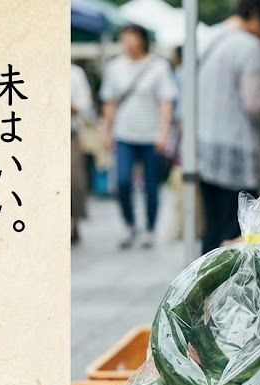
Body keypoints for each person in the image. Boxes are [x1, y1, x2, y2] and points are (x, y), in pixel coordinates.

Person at [197, 0, 260, 254]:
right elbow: (254, 104)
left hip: (205, 148)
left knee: (212, 229)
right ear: (257, 16)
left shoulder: (209, 40)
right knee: (234, 236)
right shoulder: (250, 47)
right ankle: (227, 292)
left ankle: (202, 287)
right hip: (237, 151)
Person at [99, 24, 177, 250]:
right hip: (124, 134)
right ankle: (130, 225)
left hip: (152, 135)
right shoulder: (115, 67)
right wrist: (107, 132)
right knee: (122, 181)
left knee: (152, 186)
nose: (127, 41)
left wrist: (164, 133)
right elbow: (109, 102)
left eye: (131, 36)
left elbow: (166, 102)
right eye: (123, 37)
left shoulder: (158, 67)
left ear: (142, 39)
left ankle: (150, 229)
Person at [71, 63, 95, 245]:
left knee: (74, 182)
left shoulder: (74, 73)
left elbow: (84, 105)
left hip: (70, 135)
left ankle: (73, 223)